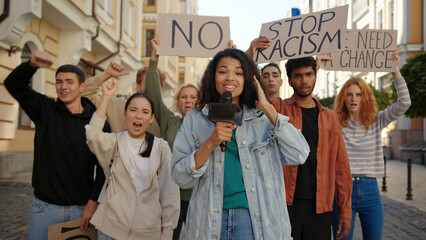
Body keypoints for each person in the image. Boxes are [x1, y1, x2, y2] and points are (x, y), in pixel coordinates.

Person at [171, 48, 310, 239]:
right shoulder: (195, 119)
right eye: (223, 71)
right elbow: (180, 177)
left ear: (249, 80)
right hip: (209, 220)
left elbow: (300, 154)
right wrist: (210, 143)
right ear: (212, 77)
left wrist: (268, 110)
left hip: (253, 221)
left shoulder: (262, 118)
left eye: (238, 72)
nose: (230, 78)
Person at [4, 51, 109, 240]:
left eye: (69, 82)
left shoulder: (97, 122)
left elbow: (105, 167)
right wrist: (32, 65)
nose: (63, 87)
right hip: (44, 209)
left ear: (82, 86)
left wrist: (93, 202)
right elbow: (13, 85)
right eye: (59, 82)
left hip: (81, 211)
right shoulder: (45, 109)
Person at [269, 56, 353, 240]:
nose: (304, 80)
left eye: (309, 74)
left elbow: (341, 166)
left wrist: (345, 212)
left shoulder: (330, 117)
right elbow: (253, 99)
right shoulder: (279, 108)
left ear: (316, 76)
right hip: (284, 204)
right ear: (289, 80)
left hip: (320, 206)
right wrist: (248, 56)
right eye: (298, 76)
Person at [331, 49, 411, 240]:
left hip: (370, 190)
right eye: (349, 95)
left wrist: (394, 70)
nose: (353, 99)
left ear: (364, 97)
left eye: (358, 94)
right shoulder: (334, 121)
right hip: (343, 190)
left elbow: (404, 103)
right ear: (343, 98)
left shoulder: (377, 120)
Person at [85, 80, 180, 239]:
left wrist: (167, 232)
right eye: (133, 110)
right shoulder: (114, 142)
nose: (138, 116)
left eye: (145, 112)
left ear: (151, 118)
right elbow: (93, 136)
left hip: (148, 232)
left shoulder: (161, 148)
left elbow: (169, 193)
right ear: (125, 114)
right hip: (110, 229)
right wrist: (106, 97)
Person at [146, 35, 199, 240]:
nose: (189, 101)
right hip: (170, 196)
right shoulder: (170, 121)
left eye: (194, 97)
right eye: (184, 97)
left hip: (197, 196)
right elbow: (153, 95)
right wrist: (154, 58)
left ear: (200, 100)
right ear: (178, 101)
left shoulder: (208, 123)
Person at [82, 60, 161, 136]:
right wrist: (107, 74)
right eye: (148, 83)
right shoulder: (115, 105)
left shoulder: (164, 119)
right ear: (138, 86)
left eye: (157, 84)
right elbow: (83, 96)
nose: (153, 87)